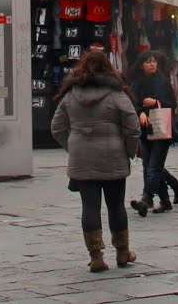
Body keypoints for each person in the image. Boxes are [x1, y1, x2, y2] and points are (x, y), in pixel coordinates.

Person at [53, 48, 142, 272]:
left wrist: (73, 146)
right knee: (116, 206)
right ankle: (122, 252)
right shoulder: (116, 94)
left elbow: (57, 127)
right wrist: (128, 151)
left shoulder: (70, 95)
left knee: (89, 207)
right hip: (113, 156)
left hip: (82, 159)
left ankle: (96, 257)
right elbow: (133, 126)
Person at [129, 51, 178, 214]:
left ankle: (146, 198)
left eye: (154, 61)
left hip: (162, 128)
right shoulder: (137, 83)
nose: (152, 64)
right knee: (150, 166)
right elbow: (133, 102)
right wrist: (141, 112)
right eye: (148, 62)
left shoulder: (163, 81)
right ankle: (169, 196)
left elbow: (172, 104)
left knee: (153, 167)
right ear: (142, 65)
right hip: (145, 130)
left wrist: (156, 103)